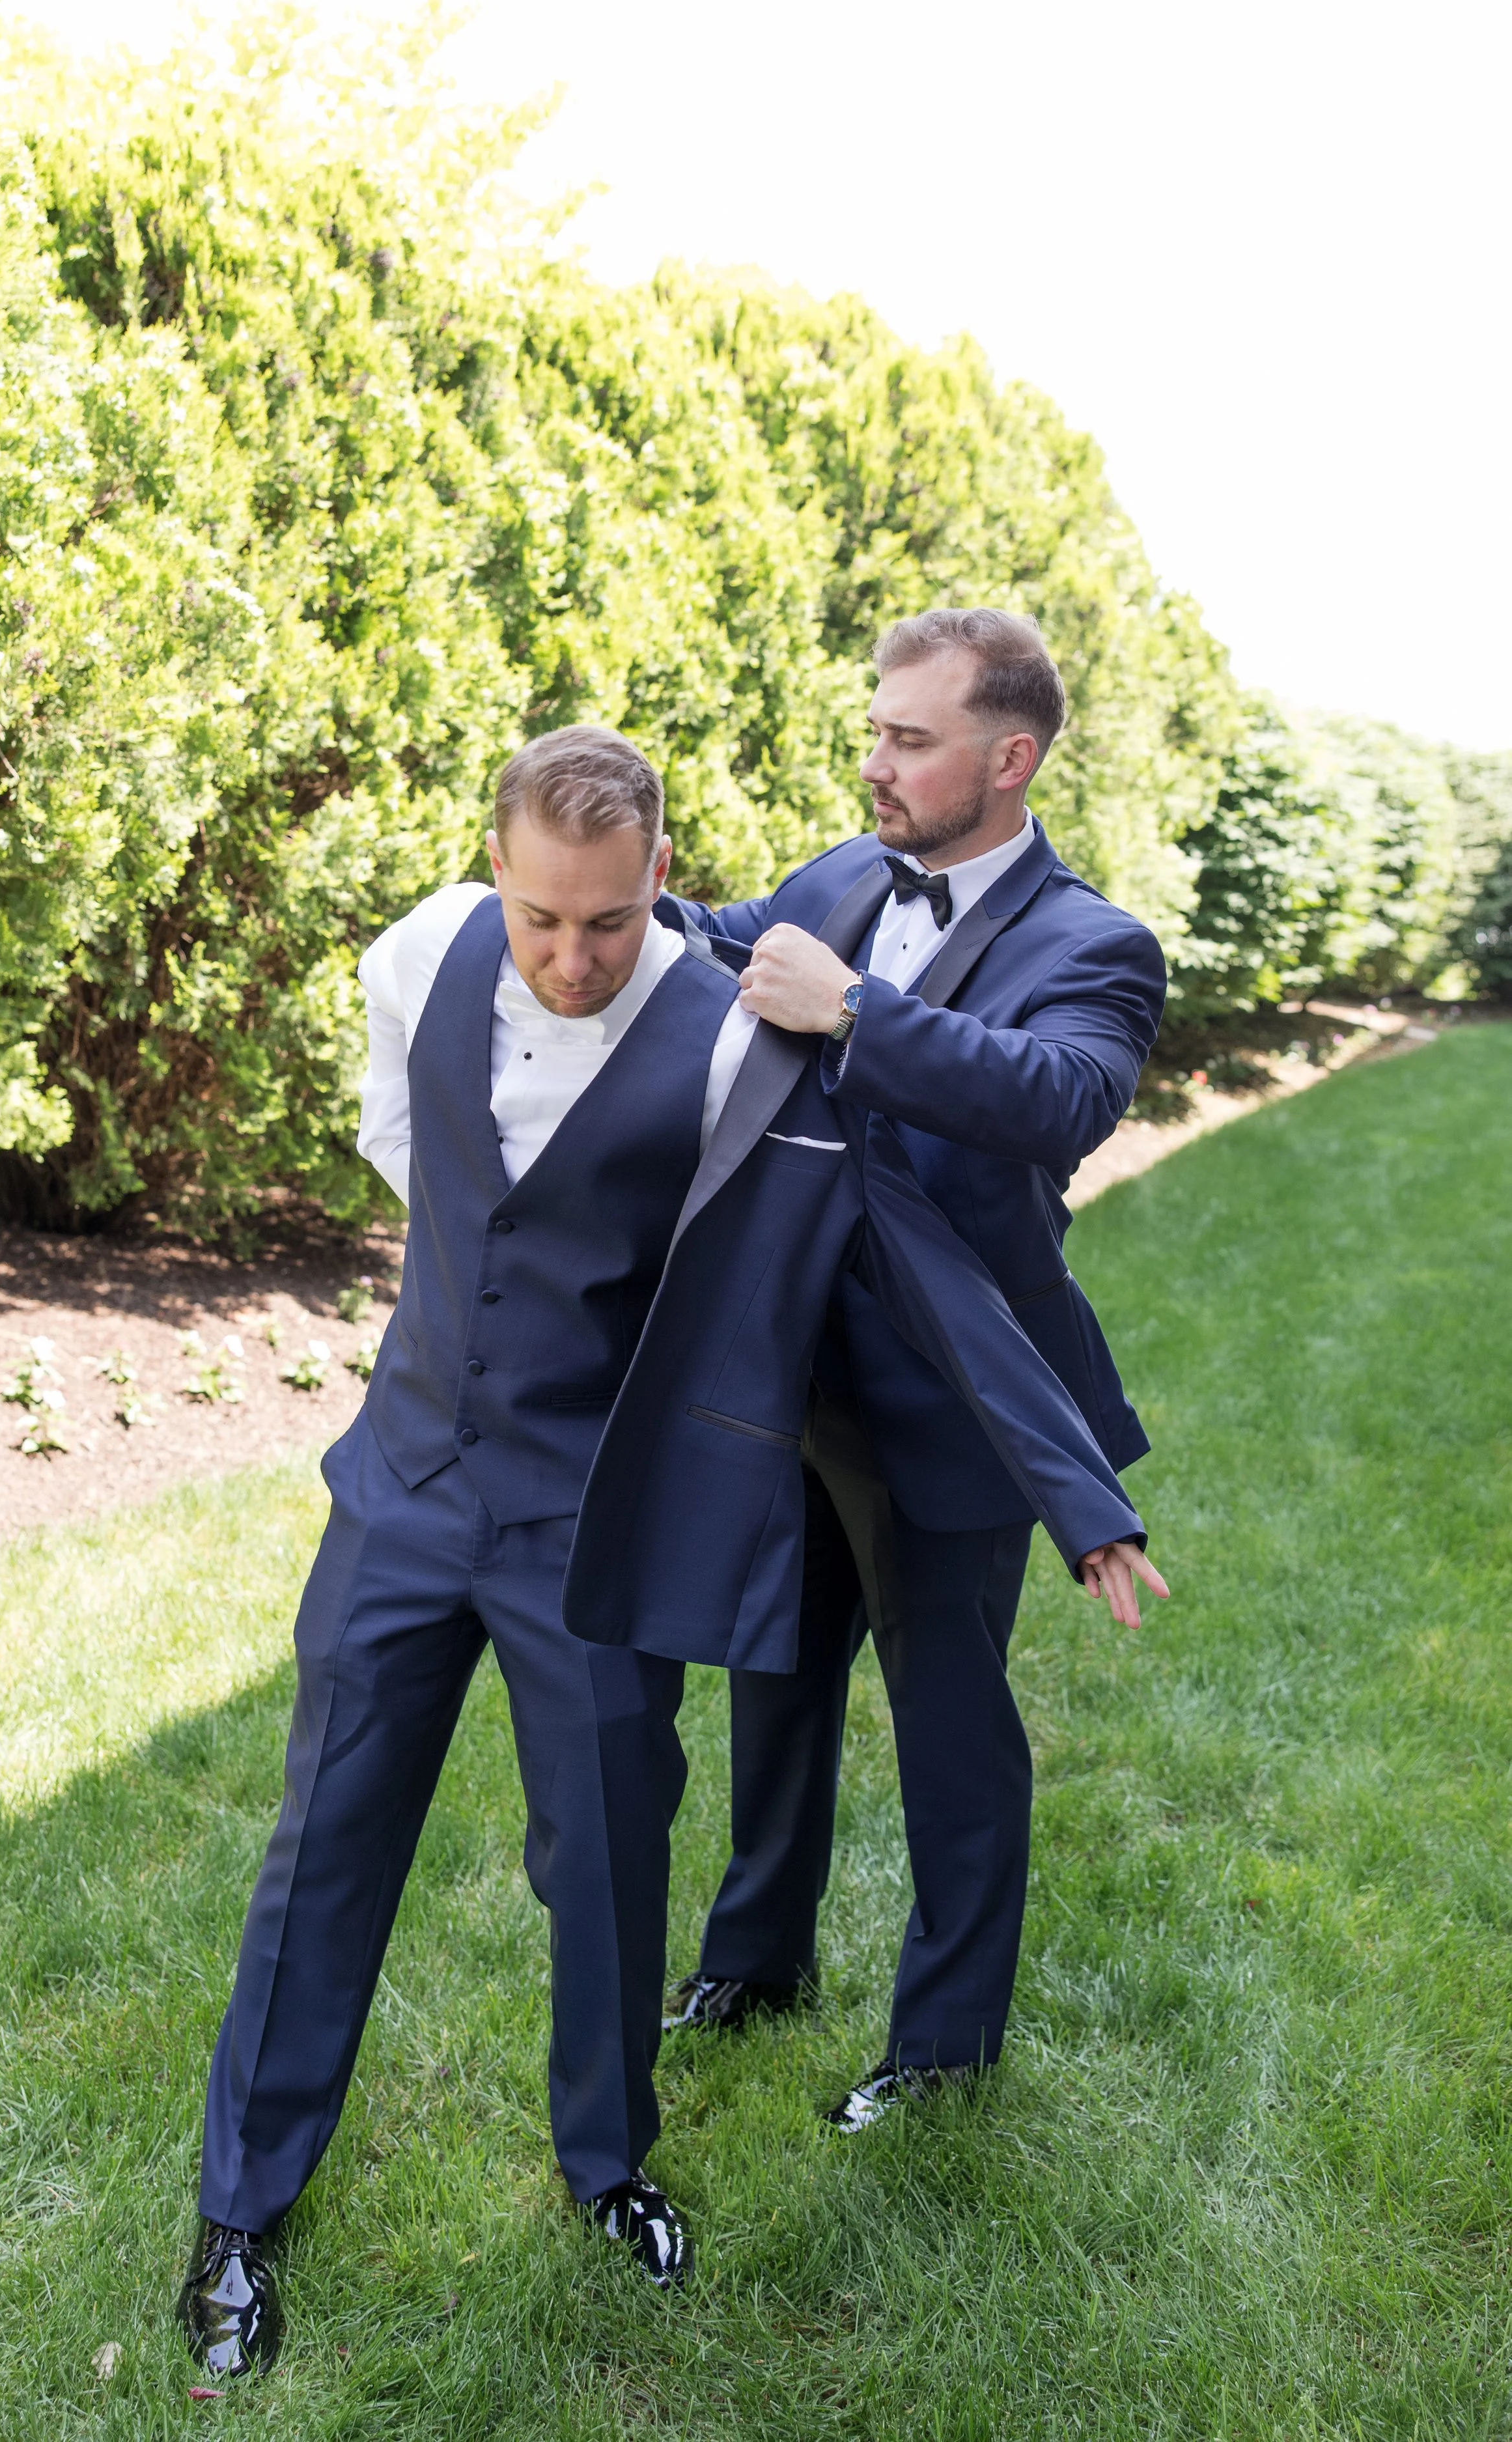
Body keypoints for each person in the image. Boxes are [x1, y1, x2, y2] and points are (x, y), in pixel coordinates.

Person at [179, 722, 1160, 2378]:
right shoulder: (415, 954)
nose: (570, 957)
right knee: (325, 1845)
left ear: (660, 884)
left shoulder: (732, 1041)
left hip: (592, 1518)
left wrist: (1076, 1495)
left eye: (609, 922)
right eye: (541, 917)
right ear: (493, 871)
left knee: (613, 1860)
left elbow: (913, 1262)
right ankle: (239, 2218)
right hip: (406, 1489)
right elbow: (412, 1162)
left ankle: (604, 2163)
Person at [667, 608, 1169, 2130]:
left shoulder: (1094, 945)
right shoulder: (837, 875)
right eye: (873, 729)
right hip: (788, 1369)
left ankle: (941, 2051)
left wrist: (858, 1014)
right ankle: (756, 1963)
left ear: (1007, 760)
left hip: (951, 1403)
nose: (872, 760)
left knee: (948, 1720)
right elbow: (724, 937)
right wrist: (605, 898)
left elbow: (1059, 1098)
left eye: (909, 738)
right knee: (775, 1673)